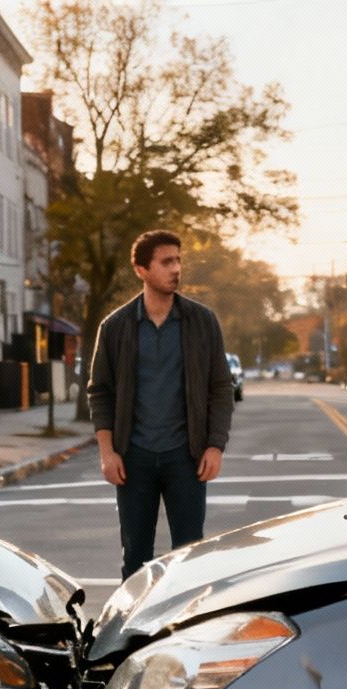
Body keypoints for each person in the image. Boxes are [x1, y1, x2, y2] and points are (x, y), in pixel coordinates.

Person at [86, 230, 236, 578]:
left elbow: (220, 387)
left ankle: (183, 628)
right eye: (166, 262)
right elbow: (100, 392)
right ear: (141, 269)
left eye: (178, 260)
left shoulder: (201, 322)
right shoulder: (116, 327)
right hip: (133, 459)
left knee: (189, 555)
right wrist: (107, 453)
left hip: (186, 457)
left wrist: (215, 446)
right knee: (135, 556)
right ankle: (134, 630)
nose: (176, 268)